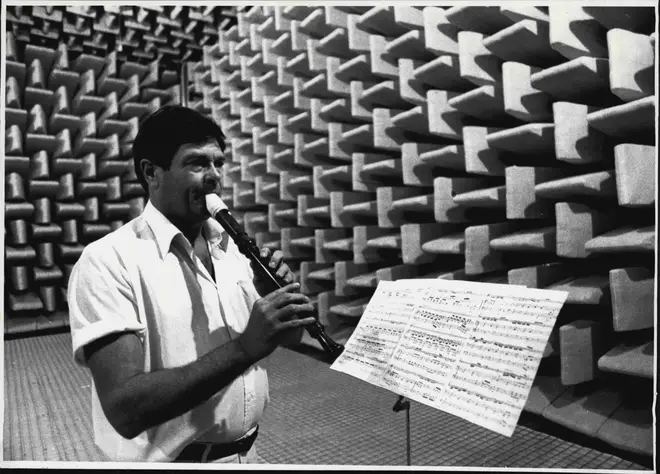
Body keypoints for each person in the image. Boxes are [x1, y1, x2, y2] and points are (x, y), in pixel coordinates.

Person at [67, 105, 317, 463]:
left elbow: (289, 339)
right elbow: (125, 408)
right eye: (197, 163)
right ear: (151, 172)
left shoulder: (231, 247)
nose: (214, 176)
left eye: (219, 163)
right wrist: (246, 347)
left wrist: (276, 301)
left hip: (249, 456)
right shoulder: (106, 261)